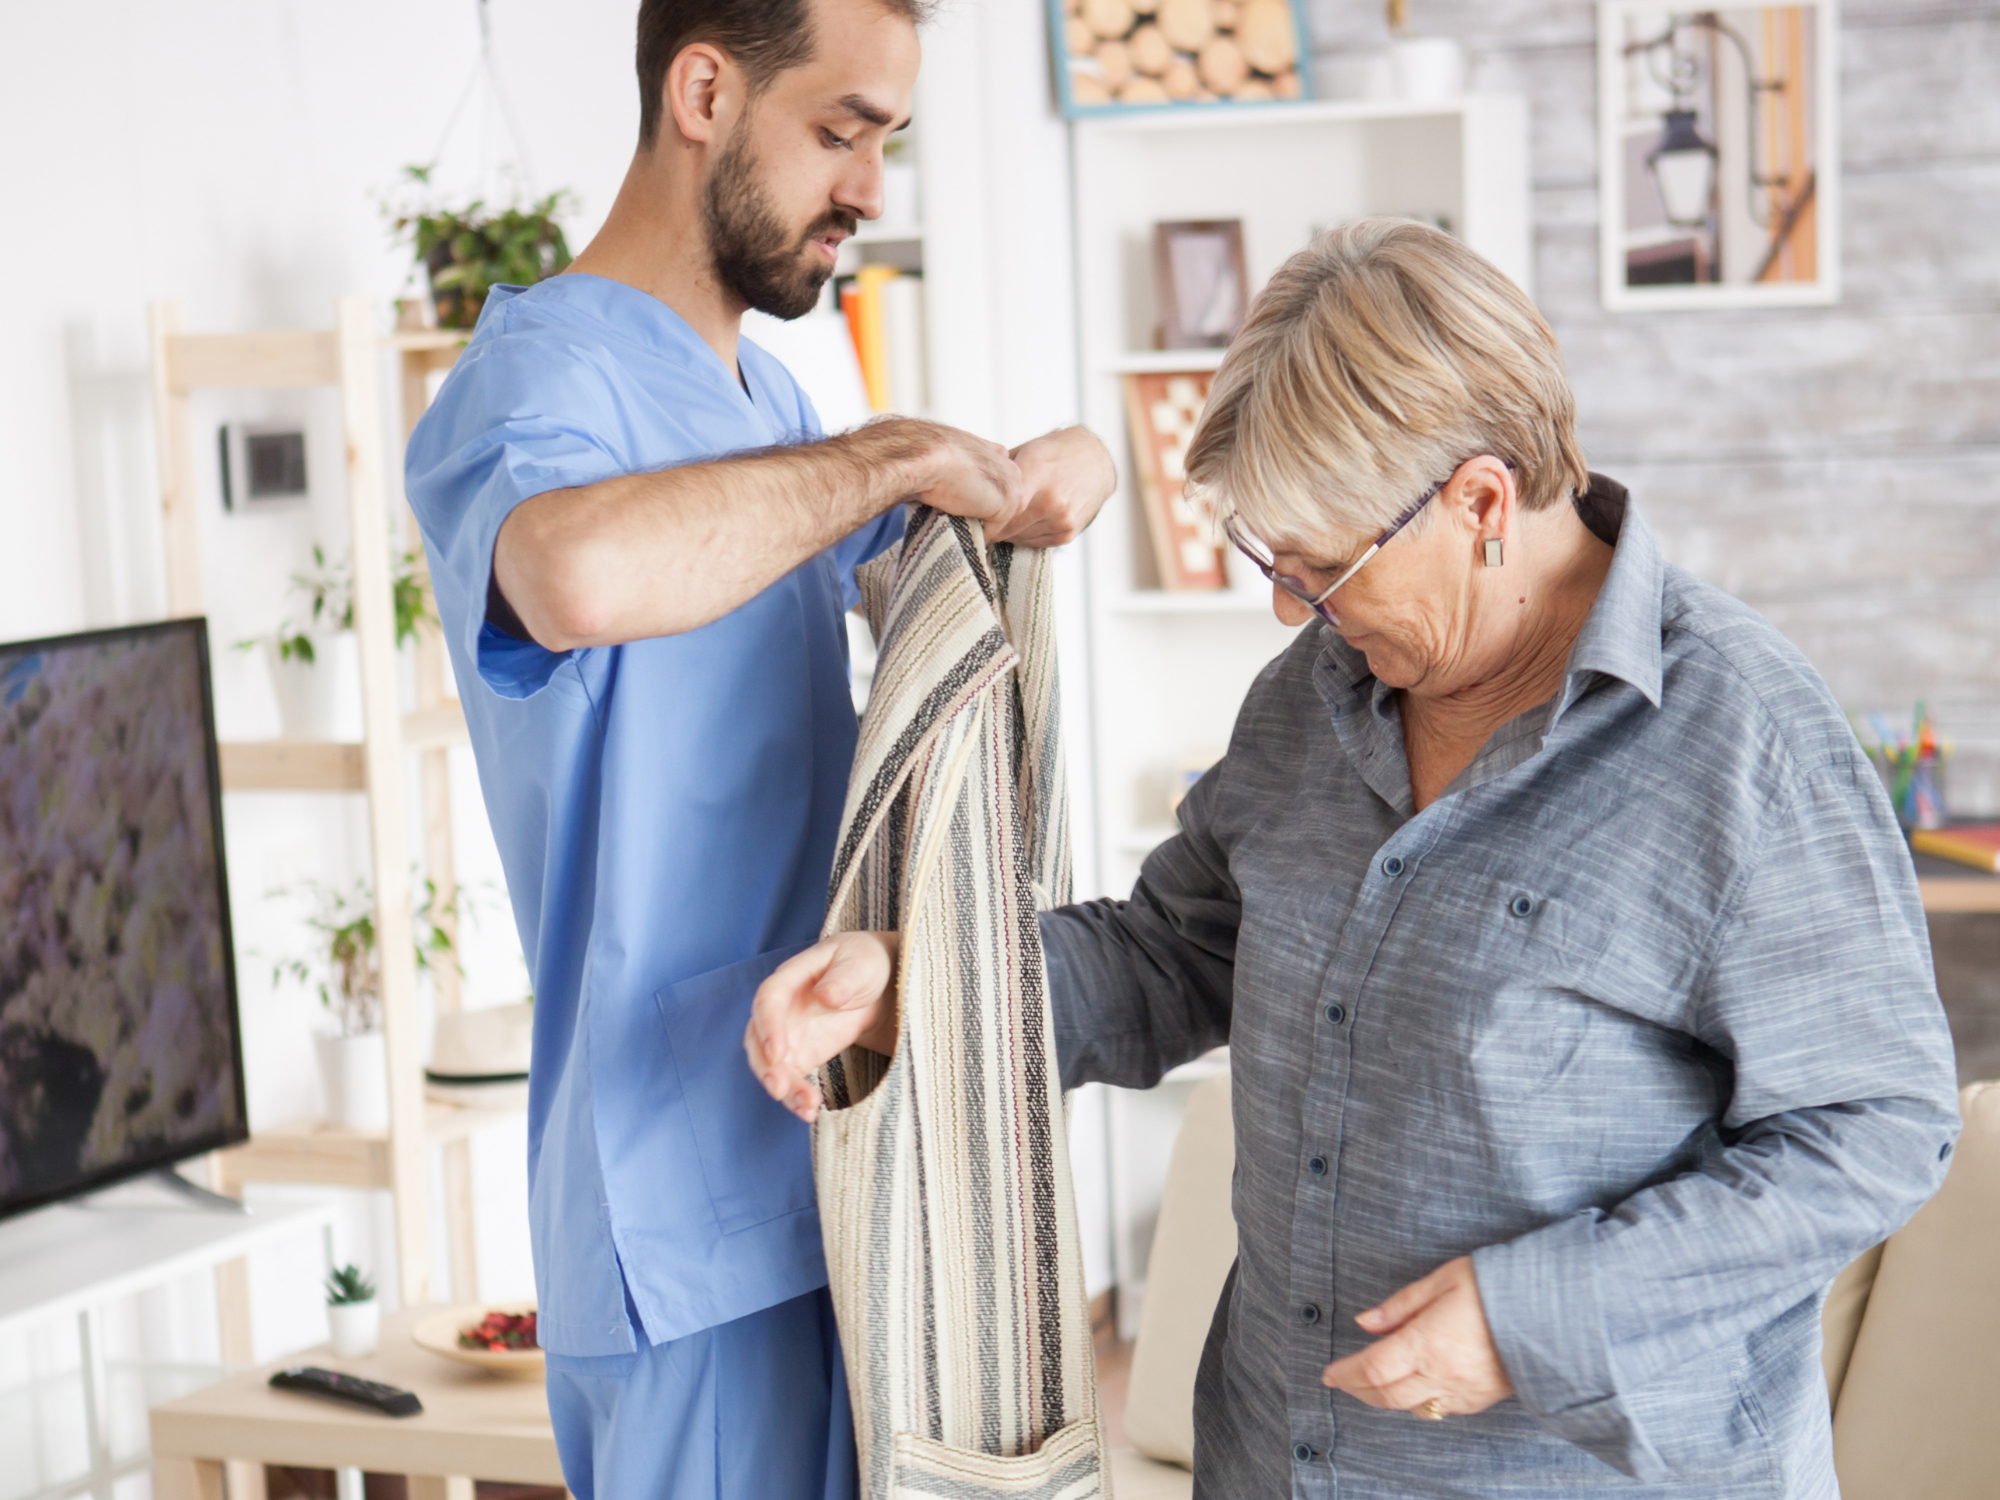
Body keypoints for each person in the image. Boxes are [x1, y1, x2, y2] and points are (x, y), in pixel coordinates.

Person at [747, 218, 1960, 1497]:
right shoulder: (1307, 699)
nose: (1287, 608)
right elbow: (1173, 955)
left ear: (1481, 503)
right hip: (1273, 1456)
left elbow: (1872, 1127)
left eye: (1321, 568)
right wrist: (920, 983)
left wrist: (1535, 1315)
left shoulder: (1744, 744)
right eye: (1271, 562)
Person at [403, 0, 1115, 1494]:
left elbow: (926, 563)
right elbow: (580, 578)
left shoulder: (770, 400)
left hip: (830, 1154)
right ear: (705, 91)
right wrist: (896, 455)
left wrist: (1051, 475)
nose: (868, 188)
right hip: (675, 1213)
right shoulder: (536, 382)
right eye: (839, 132)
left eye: (886, 144)